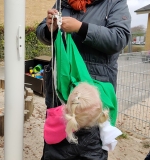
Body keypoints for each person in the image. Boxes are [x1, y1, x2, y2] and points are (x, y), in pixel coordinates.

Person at [36, 0, 131, 159]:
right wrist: (48, 28)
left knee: (90, 147)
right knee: (56, 145)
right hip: (60, 92)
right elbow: (41, 33)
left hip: (92, 97)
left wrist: (81, 28)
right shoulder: (61, 2)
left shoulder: (113, 3)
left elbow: (119, 38)